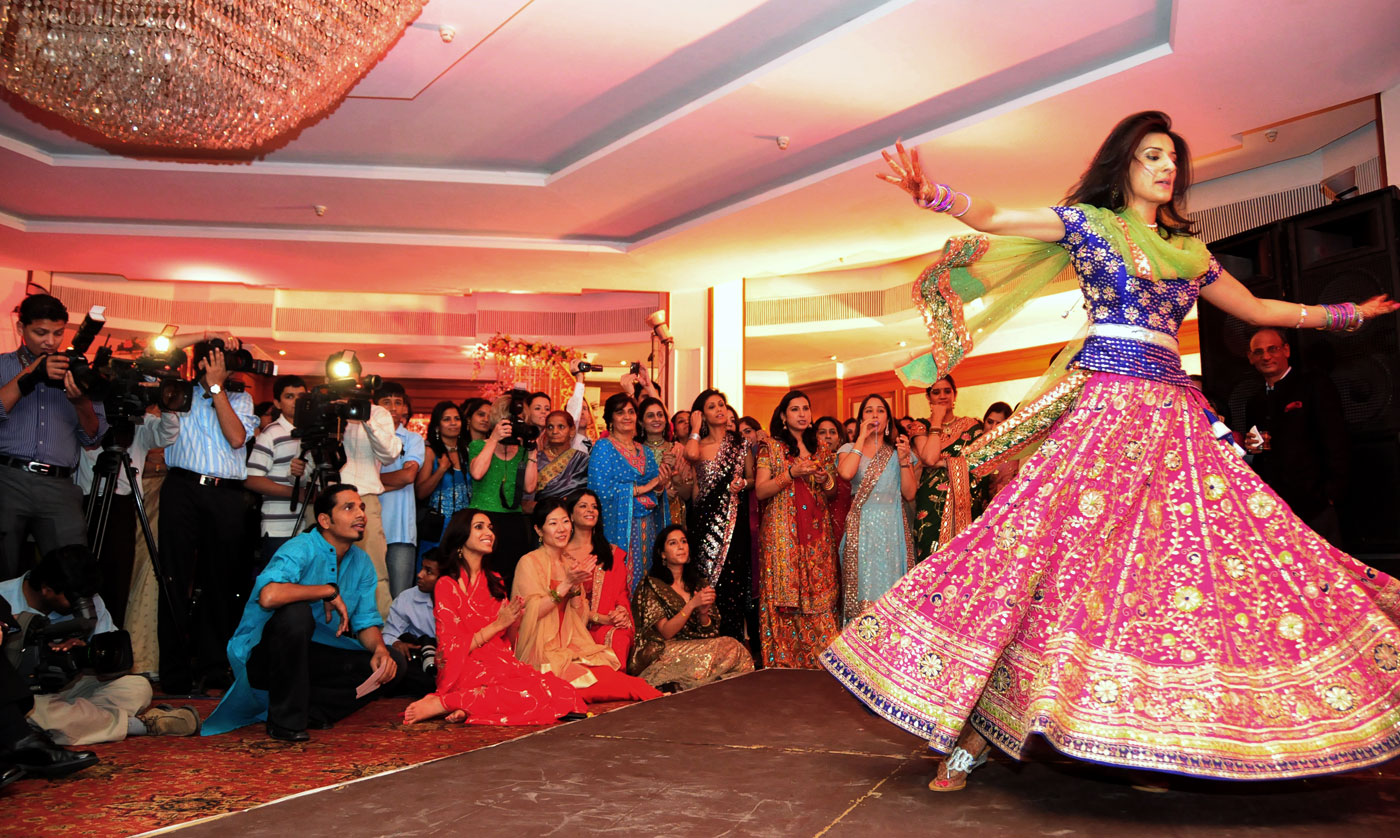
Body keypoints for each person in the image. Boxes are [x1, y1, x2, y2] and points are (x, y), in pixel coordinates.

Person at [821, 112, 1400, 792]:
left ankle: (1152, 729)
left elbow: (1255, 309)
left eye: (1173, 158)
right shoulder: (1088, 224)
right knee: (1050, 563)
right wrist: (937, 195)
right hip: (1105, 415)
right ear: (1124, 163)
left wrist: (1345, 315)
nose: (1166, 167)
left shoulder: (1189, 251)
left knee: (1191, 568)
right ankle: (976, 731)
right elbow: (1002, 215)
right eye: (1152, 155)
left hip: (1175, 422)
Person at [204, 484, 406, 740]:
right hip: (263, 656)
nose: (361, 514)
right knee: (296, 613)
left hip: (314, 656)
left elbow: (365, 622)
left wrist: (379, 649)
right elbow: (268, 596)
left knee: (392, 665)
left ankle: (313, 709)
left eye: (361, 507)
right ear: (325, 520)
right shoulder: (301, 547)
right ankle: (284, 721)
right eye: (349, 507)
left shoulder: (362, 562)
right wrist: (326, 591)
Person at [1, 546, 199, 746]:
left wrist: (84, 657)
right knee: (22, 709)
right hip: (23, 693)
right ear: (47, 589)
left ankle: (61, 725)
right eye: (74, 598)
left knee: (138, 687)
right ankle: (138, 725)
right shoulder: (3, 597)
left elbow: (113, 665)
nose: (83, 602)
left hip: (70, 690)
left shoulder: (86, 599)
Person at [402, 511, 585, 725]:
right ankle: (443, 703)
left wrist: (515, 621)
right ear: (461, 535)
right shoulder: (446, 585)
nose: (489, 532)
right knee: (527, 695)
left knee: (562, 690)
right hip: (464, 666)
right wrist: (499, 623)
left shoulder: (495, 581)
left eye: (490, 528)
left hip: (498, 661)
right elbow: (448, 648)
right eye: (479, 527)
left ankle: (464, 705)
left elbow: (508, 641)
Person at [158, 339, 259, 696]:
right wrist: (197, 339)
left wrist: (218, 389)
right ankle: (174, 672)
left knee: (221, 582)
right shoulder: (176, 394)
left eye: (228, 363)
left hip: (226, 495)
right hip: (181, 488)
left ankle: (214, 668)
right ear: (201, 363)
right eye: (218, 362)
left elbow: (236, 438)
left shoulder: (240, 398)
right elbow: (155, 352)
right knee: (174, 578)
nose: (227, 368)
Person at [0, 293, 107, 579]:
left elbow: (93, 438)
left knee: (73, 575)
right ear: (21, 329)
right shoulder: (3, 366)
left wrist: (81, 402)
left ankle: (74, 625)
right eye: (40, 332)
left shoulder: (78, 371)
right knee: (3, 572)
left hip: (59, 486)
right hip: (7, 479)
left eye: (58, 333)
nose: (50, 341)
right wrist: (30, 375)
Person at [511, 500, 661, 702]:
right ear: (539, 530)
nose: (562, 528)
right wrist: (565, 586)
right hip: (542, 653)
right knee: (594, 685)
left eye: (565, 521)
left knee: (610, 676)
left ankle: (650, 694)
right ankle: (649, 695)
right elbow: (529, 613)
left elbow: (581, 620)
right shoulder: (528, 562)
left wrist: (574, 592)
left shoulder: (570, 564)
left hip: (570, 648)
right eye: (553, 523)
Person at [753, 392, 840, 668]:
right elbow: (760, 490)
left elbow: (832, 491)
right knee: (786, 594)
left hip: (816, 533)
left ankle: (822, 658)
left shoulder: (822, 449)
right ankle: (785, 659)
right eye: (794, 409)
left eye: (806, 408)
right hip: (782, 534)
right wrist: (791, 474)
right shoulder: (772, 448)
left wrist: (824, 478)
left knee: (818, 591)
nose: (802, 414)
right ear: (783, 416)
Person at [74, 403, 180, 628]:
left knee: (117, 580)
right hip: (85, 499)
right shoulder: (87, 411)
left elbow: (167, 434)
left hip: (122, 503)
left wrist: (168, 405)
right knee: (81, 575)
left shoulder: (139, 421)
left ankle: (111, 637)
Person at [1243, 327, 1348, 546]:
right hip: (1275, 506)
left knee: (1329, 571)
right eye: (1259, 351)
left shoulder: (1313, 384)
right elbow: (1260, 449)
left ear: (1286, 350)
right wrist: (1253, 449)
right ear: (1251, 358)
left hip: (1315, 502)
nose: (1266, 356)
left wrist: (1331, 493)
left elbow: (1336, 439)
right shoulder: (1253, 401)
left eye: (1272, 349)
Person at [629, 526, 754, 690]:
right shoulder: (651, 585)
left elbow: (710, 633)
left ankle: (697, 683)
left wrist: (703, 614)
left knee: (734, 647)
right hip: (663, 651)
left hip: (696, 646)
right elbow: (666, 632)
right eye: (673, 543)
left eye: (683, 542)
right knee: (727, 649)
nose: (680, 547)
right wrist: (692, 605)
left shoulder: (698, 583)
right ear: (663, 554)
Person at [835, 394, 917, 623]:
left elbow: (910, 493)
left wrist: (903, 459)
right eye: (869, 410)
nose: (874, 415)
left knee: (890, 590)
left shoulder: (897, 451)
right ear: (861, 418)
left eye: (880, 410)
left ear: (888, 419)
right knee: (863, 587)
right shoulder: (849, 448)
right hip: (863, 529)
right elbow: (846, 473)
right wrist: (862, 438)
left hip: (893, 530)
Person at [684, 390, 753, 645]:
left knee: (732, 581)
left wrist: (743, 482)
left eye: (721, 405)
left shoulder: (740, 443)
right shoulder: (698, 446)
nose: (719, 410)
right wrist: (694, 427)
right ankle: (707, 641)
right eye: (711, 407)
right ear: (703, 414)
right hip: (703, 522)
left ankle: (733, 644)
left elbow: (753, 479)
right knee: (705, 580)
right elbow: (690, 455)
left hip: (734, 521)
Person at [335, 374, 404, 617]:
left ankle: (383, 634)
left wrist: (364, 417)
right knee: (325, 569)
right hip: (328, 499)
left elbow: (389, 454)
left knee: (375, 569)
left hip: (364, 500)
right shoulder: (325, 410)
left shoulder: (378, 414)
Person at [589, 393, 668, 591]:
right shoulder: (603, 447)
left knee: (647, 578)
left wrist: (659, 487)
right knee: (621, 581)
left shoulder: (645, 451)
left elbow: (654, 493)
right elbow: (600, 491)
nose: (627, 416)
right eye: (620, 412)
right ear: (610, 419)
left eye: (631, 412)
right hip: (617, 526)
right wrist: (642, 489)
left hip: (647, 526)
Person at [465, 394, 539, 591]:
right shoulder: (478, 446)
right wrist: (493, 439)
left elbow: (530, 487)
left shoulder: (523, 450)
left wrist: (532, 453)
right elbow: (477, 472)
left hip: (512, 523)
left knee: (511, 578)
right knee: (482, 577)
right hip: (482, 521)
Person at [912, 376, 990, 557]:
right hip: (930, 507)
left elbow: (979, 464)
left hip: (966, 504)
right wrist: (937, 420)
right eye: (936, 392)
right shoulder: (921, 426)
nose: (942, 396)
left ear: (955, 394)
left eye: (947, 391)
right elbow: (930, 458)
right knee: (930, 560)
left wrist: (945, 462)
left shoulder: (971, 427)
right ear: (928, 397)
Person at [245, 374, 309, 570]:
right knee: (276, 586)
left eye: (301, 396)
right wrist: (296, 494)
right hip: (278, 528)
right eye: (290, 396)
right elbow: (251, 479)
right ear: (277, 403)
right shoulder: (271, 433)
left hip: (308, 527)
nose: (296, 401)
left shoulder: (312, 432)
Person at [565, 490, 634, 664]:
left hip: (606, 624)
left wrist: (621, 613)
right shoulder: (560, 555)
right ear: (571, 516)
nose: (590, 510)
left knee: (618, 636)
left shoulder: (611, 553)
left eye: (594, 507)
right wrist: (596, 617)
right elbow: (559, 601)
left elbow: (621, 595)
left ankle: (616, 686)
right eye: (583, 506)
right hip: (569, 624)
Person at [375, 383, 424, 597]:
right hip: (367, 528)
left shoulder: (413, 439)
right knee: (369, 595)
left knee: (399, 597)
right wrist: (394, 480)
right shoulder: (364, 438)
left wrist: (368, 481)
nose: (393, 408)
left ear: (405, 408)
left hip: (401, 532)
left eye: (398, 402)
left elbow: (408, 476)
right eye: (386, 402)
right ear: (375, 407)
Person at [415, 401, 472, 560]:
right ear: (437, 426)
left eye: (457, 418)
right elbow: (420, 492)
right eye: (447, 419)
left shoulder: (467, 452)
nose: (453, 423)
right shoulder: (431, 452)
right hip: (437, 526)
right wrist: (440, 470)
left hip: (463, 527)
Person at [382, 549, 442, 697]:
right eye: (422, 568)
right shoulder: (407, 599)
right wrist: (396, 643)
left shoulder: (460, 600)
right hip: (419, 662)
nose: (419, 574)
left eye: (429, 572)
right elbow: (388, 633)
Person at [640, 396, 692, 527]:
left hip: (674, 516)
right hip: (644, 517)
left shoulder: (678, 449)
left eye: (660, 415)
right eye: (650, 416)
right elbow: (633, 490)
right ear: (641, 422)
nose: (656, 419)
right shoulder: (636, 451)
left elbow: (687, 495)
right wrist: (660, 494)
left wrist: (676, 479)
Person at [531, 410, 589, 507]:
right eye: (550, 427)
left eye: (561, 427)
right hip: (543, 515)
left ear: (572, 431)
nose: (554, 431)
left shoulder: (582, 460)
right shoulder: (535, 458)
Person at [814, 415, 853, 545]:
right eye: (822, 432)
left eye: (832, 432)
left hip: (845, 521)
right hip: (816, 522)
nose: (828, 436)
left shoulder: (848, 462)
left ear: (840, 438)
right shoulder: (808, 463)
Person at [981, 402, 1019, 497]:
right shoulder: (972, 448)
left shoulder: (1011, 456)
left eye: (999, 424)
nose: (993, 428)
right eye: (989, 422)